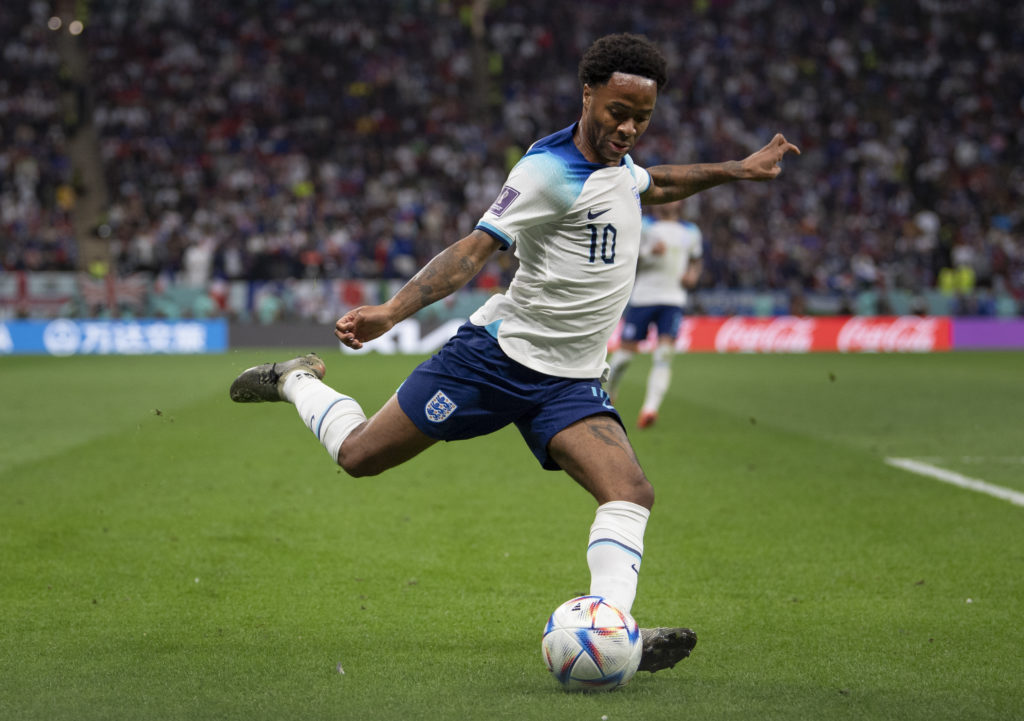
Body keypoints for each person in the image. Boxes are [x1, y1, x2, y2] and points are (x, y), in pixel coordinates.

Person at [230, 33, 800, 674]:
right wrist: (391, 312)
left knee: (630, 492)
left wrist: (736, 169)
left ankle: (612, 629)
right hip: (492, 361)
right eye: (618, 111)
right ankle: (294, 380)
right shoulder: (544, 171)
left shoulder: (620, 168)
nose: (630, 128)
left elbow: (655, 184)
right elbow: (472, 252)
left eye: (643, 116)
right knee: (360, 456)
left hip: (570, 380)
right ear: (587, 94)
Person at [606, 200, 703, 429]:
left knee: (664, 355)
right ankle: (609, 391)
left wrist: (693, 275)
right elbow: (625, 256)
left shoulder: (691, 231)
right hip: (644, 297)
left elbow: (696, 261)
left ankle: (650, 409)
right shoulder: (643, 225)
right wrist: (649, 251)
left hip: (674, 299)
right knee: (624, 356)